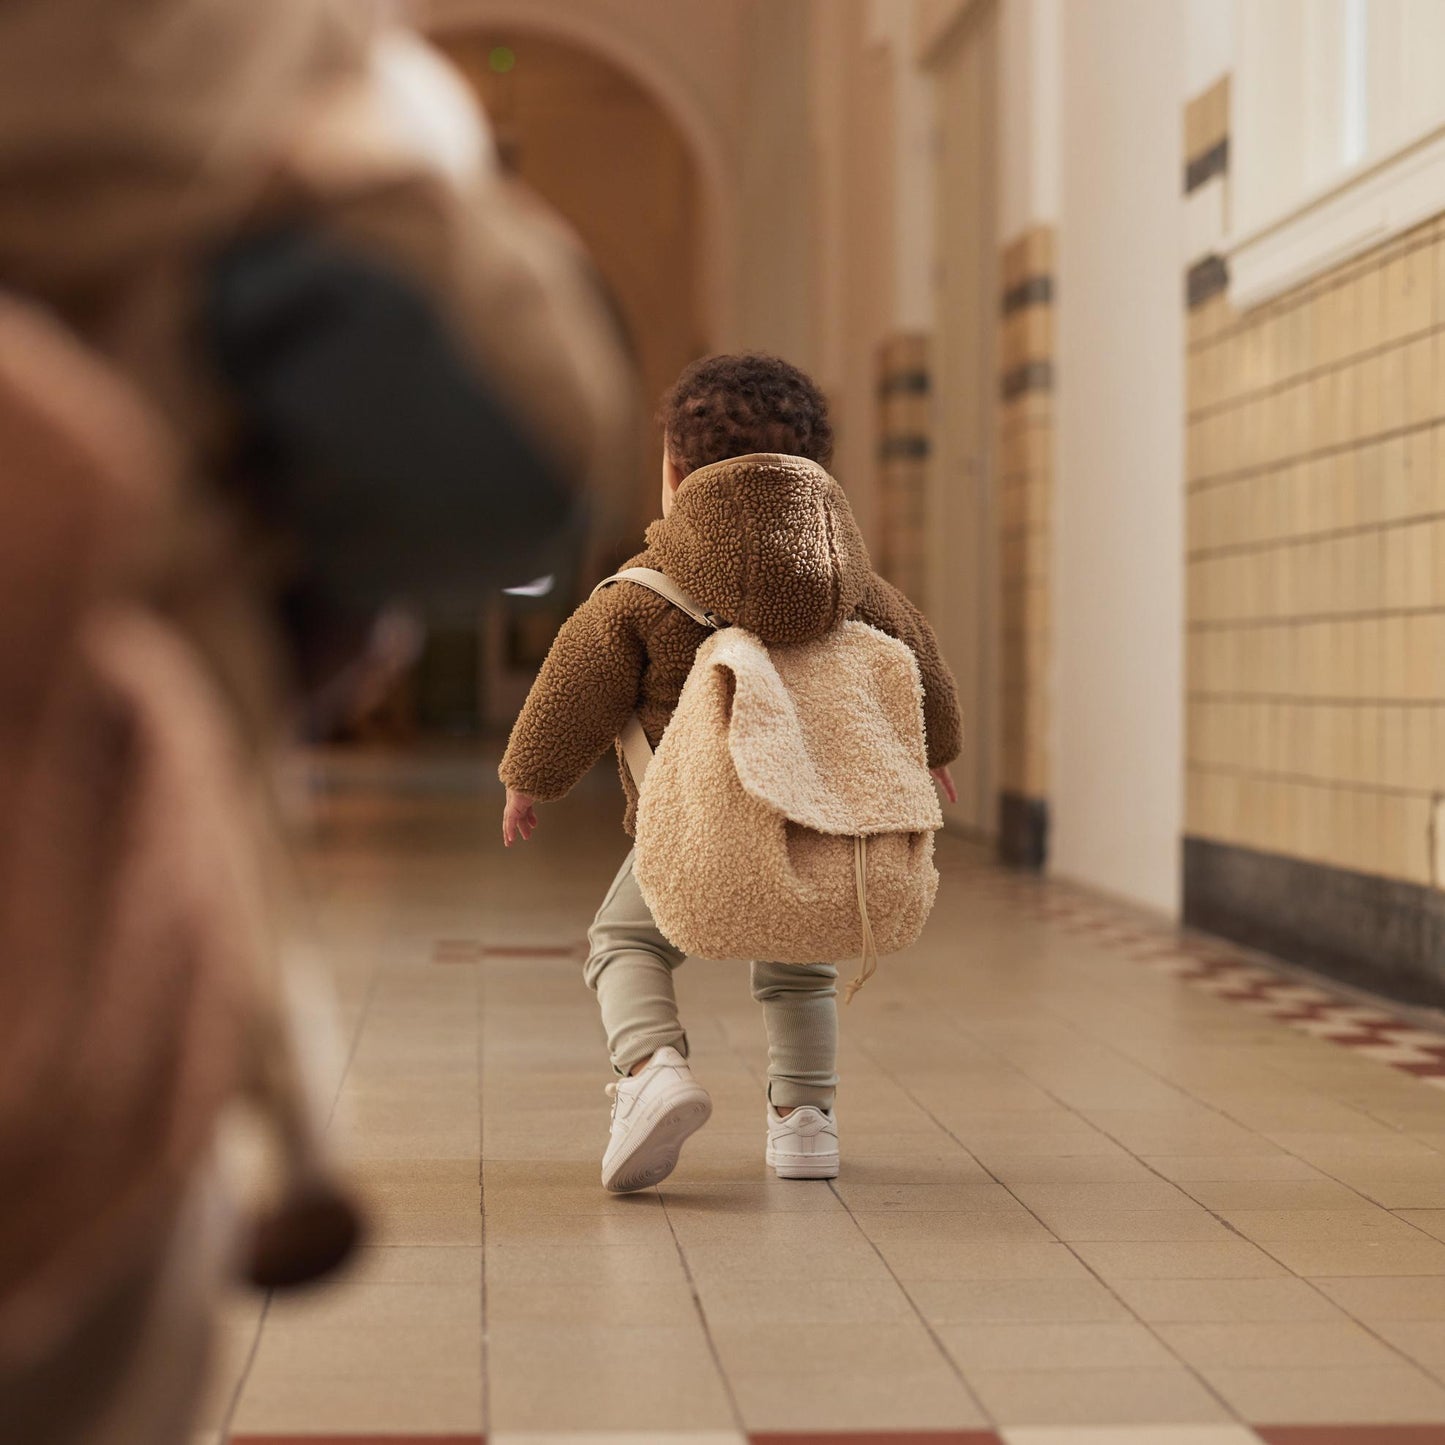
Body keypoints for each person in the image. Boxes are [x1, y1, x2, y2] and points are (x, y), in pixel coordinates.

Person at [500, 353, 962, 1192]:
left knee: (624, 939)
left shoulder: (642, 589)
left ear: (674, 473)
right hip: (808, 819)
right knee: (800, 963)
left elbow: (577, 679)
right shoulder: (856, 587)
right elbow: (916, 661)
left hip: (691, 827)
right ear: (816, 470)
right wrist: (932, 756)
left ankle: (651, 1070)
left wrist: (529, 775)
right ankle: (805, 1123)